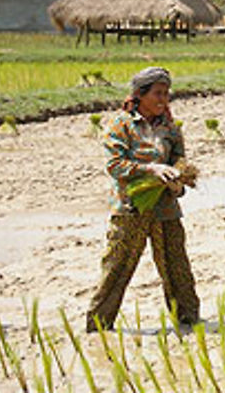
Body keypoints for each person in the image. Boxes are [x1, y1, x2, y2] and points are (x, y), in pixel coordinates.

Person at [86, 67, 199, 332]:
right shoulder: (121, 125)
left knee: (177, 268)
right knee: (116, 268)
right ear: (140, 94)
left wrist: (176, 186)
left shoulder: (170, 129)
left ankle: (188, 321)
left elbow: (179, 164)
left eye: (166, 94)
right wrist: (151, 169)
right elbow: (115, 165)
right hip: (130, 209)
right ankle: (98, 325)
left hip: (166, 209)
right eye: (157, 94)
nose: (163, 99)